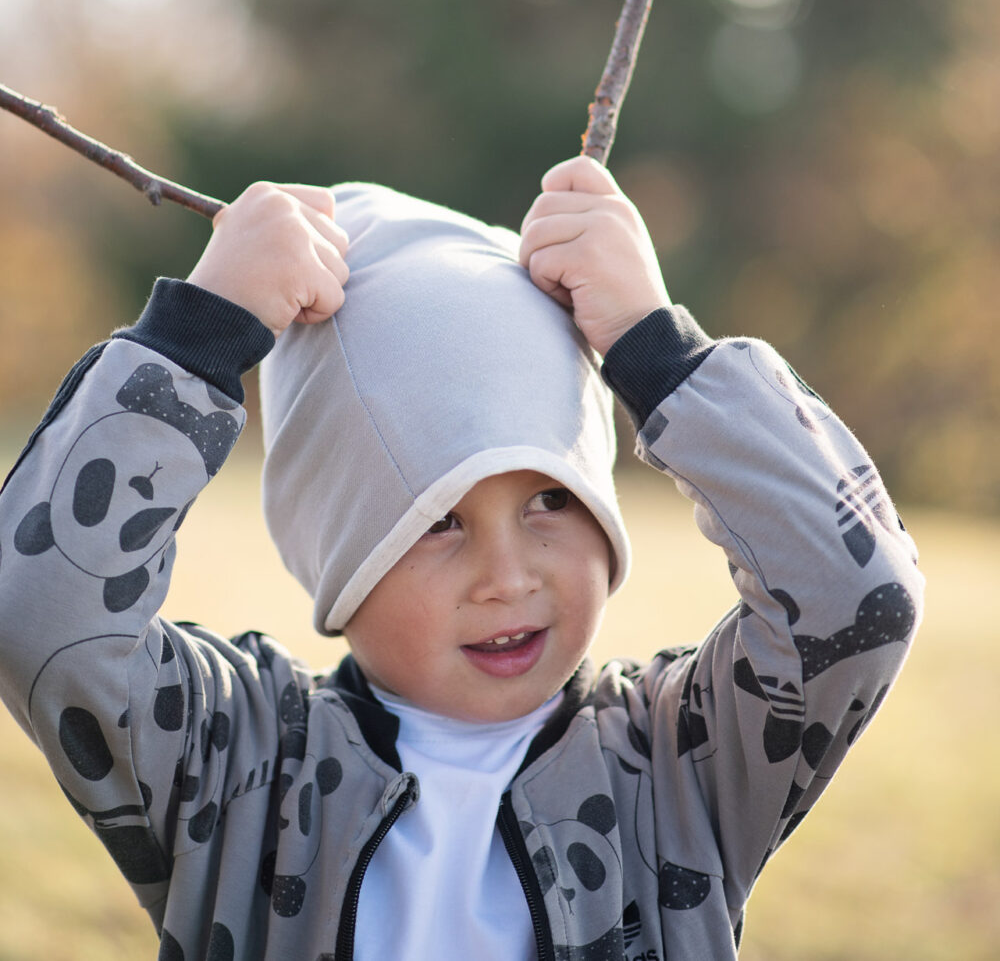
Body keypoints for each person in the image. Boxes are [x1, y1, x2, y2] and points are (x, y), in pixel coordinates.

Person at [0, 156, 922, 961]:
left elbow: (857, 597)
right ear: (341, 552)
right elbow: (39, 614)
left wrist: (658, 349)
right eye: (439, 519)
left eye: (551, 498)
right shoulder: (240, 767)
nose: (508, 576)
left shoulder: (680, 768)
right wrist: (195, 338)